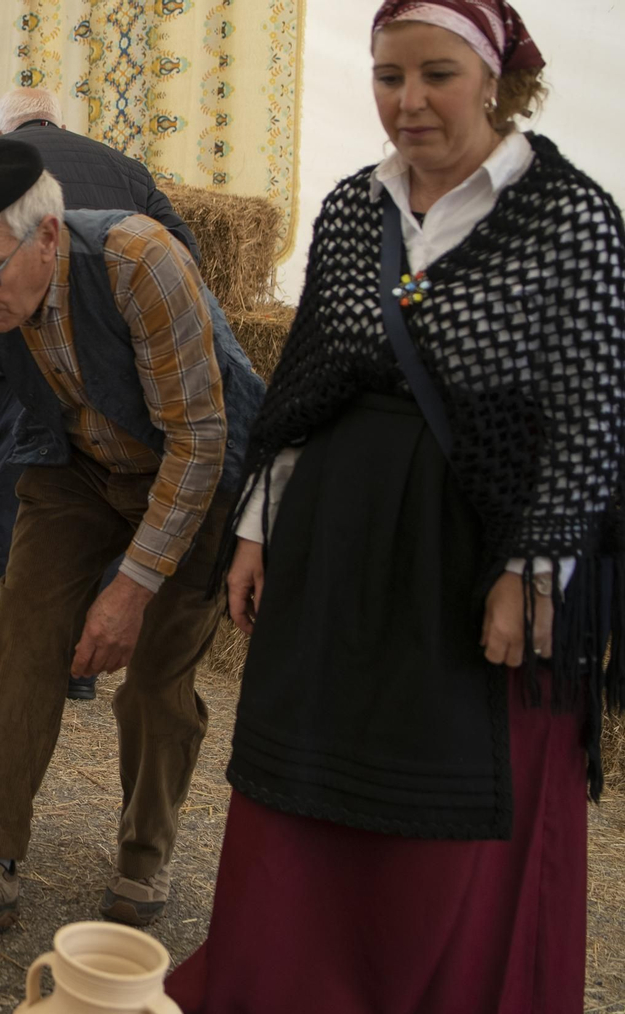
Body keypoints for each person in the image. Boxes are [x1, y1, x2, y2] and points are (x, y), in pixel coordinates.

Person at [167, 4, 625, 1010]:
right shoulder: (350, 210)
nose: (407, 101)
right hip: (333, 545)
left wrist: (531, 570)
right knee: (303, 777)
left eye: (436, 75)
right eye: (386, 76)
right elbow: (306, 386)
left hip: (470, 560)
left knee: (448, 797)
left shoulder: (569, 216)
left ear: (495, 79)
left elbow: (592, 411)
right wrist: (255, 530)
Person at [0, 138, 264, 929]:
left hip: (196, 472)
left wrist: (132, 589)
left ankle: (142, 849)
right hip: (78, 466)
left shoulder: (139, 263)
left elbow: (199, 440)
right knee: (18, 635)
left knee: (157, 675)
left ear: (49, 235)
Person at [0, 87, 200, 696]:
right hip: (120, 358)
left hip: (24, 348)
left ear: (5, 133)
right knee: (105, 506)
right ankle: (80, 669)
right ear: (58, 121)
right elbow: (184, 249)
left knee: (10, 494)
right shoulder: (124, 165)